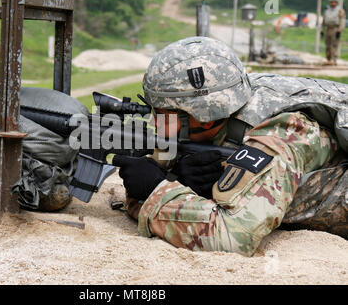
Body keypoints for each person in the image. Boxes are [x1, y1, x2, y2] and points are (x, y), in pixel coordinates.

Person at [113, 37, 348, 257]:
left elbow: (232, 237)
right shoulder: (216, 116)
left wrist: (158, 191)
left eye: (164, 114)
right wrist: (176, 181)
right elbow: (146, 184)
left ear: (203, 114)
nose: (156, 123)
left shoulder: (282, 133)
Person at [322, 0, 346, 66]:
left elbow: (342, 21)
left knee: (334, 45)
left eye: (334, 2)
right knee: (327, 45)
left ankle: (333, 60)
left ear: (337, 2)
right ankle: (328, 59)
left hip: (335, 29)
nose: (333, 3)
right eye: (332, 2)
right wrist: (322, 30)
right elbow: (323, 20)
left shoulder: (340, 10)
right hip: (328, 29)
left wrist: (340, 30)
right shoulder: (327, 10)